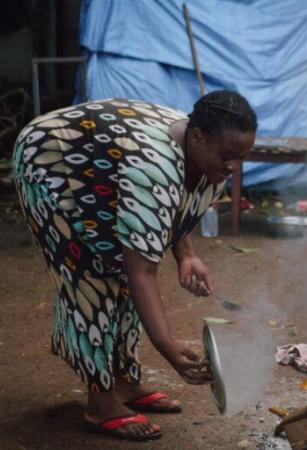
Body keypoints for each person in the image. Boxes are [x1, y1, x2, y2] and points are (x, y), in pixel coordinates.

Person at [11, 90, 257, 441]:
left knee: (119, 262)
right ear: (199, 137)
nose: (233, 166)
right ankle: (101, 400)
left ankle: (125, 383)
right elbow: (141, 268)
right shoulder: (152, 164)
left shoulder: (204, 152)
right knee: (94, 273)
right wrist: (166, 345)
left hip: (100, 167)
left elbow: (174, 205)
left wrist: (186, 254)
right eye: (227, 156)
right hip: (51, 165)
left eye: (241, 158)